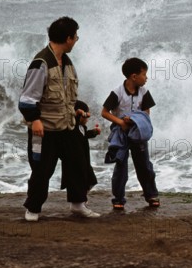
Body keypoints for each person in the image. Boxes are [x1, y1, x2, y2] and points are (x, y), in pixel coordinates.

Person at [18, 17, 100, 221]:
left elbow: (66, 98)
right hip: (45, 128)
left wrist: (79, 111)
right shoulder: (41, 63)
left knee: (78, 164)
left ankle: (78, 204)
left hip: (67, 126)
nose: (77, 40)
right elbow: (27, 98)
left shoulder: (67, 63)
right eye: (75, 36)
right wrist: (34, 120)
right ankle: (33, 209)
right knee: (42, 170)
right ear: (67, 38)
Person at [101, 57, 159, 209]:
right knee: (121, 166)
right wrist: (121, 122)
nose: (146, 78)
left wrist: (134, 120)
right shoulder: (117, 92)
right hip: (120, 133)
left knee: (144, 165)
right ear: (134, 76)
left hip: (138, 132)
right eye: (144, 74)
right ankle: (118, 199)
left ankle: (151, 195)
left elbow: (146, 112)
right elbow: (105, 112)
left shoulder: (144, 92)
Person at [60, 100, 100, 212]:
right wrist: (76, 114)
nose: (87, 119)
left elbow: (85, 136)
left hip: (84, 161)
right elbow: (71, 122)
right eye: (85, 116)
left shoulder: (82, 128)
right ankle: (77, 204)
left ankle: (81, 199)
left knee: (91, 180)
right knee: (76, 182)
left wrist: (94, 132)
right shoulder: (71, 128)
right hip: (73, 162)